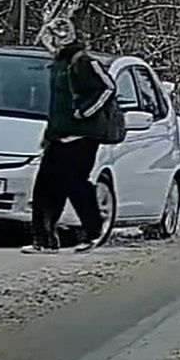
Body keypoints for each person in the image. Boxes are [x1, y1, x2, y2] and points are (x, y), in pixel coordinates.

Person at [23, 14, 115, 254]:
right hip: (58, 136)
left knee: (75, 185)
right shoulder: (58, 64)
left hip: (82, 137)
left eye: (51, 38)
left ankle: (93, 232)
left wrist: (84, 112)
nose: (48, 42)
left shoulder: (82, 62)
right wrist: (50, 131)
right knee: (44, 187)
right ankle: (44, 239)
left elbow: (107, 88)